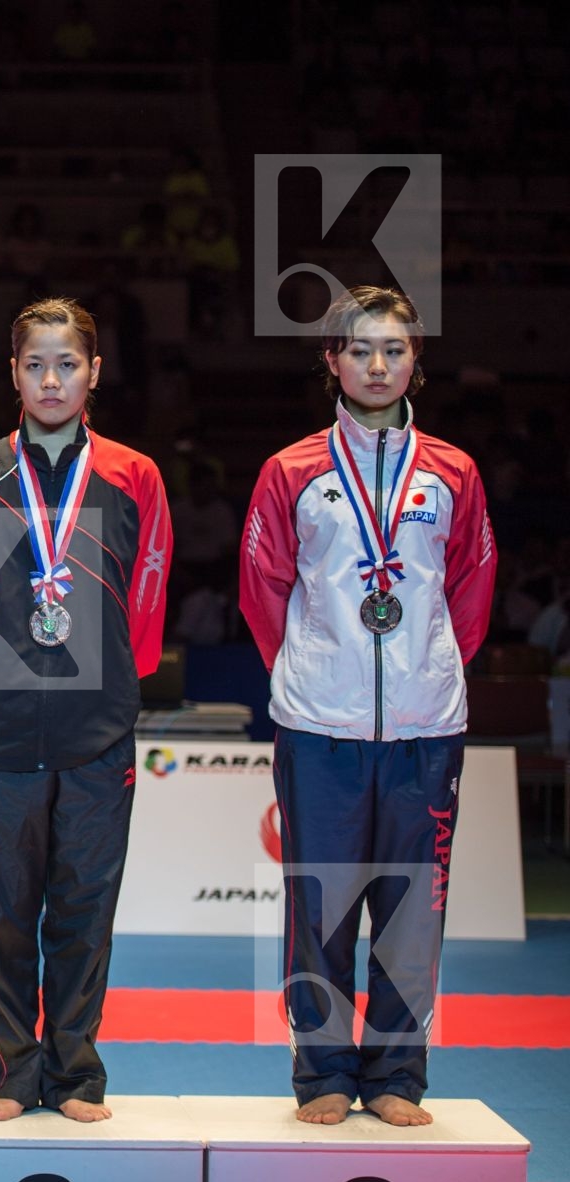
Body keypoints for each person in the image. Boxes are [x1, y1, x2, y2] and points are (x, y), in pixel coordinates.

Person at [240, 286, 497, 1128]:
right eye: (360, 350)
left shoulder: (455, 471)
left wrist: (424, 667)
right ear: (331, 362)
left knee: (412, 903)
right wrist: (317, 673)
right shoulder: (291, 471)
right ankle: (320, 1075)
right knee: (320, 904)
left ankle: (397, 1074)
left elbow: (469, 592)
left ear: (416, 358)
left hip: (425, 726)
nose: (377, 365)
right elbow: (263, 590)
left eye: (393, 349)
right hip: (320, 726)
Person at [0, 297, 172, 1123]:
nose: (50, 378)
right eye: (35, 363)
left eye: (66, 363)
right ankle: (10, 1073)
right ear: (12, 373)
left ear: (94, 372)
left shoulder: (133, 475)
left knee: (84, 908)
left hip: (99, 730)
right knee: (1, 911)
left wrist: (107, 688)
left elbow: (148, 601)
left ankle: (74, 1075)